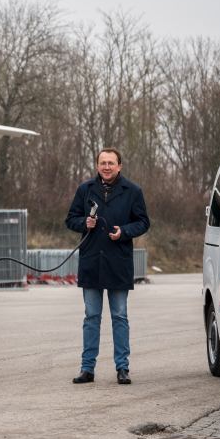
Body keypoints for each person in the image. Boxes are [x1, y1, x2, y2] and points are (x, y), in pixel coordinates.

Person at [65, 148, 150, 385]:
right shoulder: (85, 190)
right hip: (92, 262)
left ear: (119, 166)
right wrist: (85, 222)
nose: (107, 167)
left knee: (119, 316)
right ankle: (87, 368)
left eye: (111, 163)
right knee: (91, 317)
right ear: (97, 165)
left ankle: (122, 367)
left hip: (118, 262)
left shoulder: (132, 191)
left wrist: (124, 232)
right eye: (103, 162)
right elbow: (70, 219)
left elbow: (143, 222)